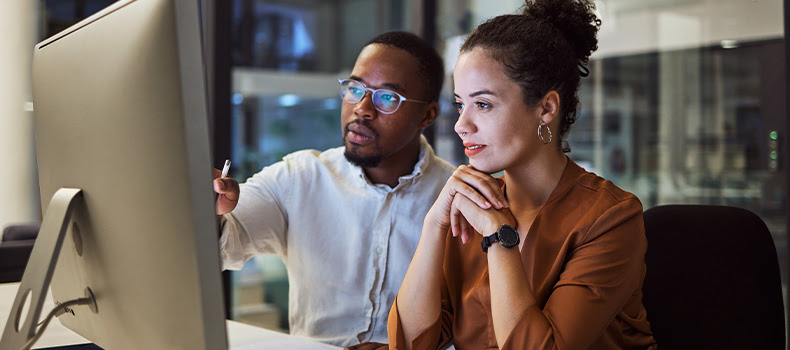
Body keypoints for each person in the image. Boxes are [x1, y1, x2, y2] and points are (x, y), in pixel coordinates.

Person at [389, 1, 658, 349]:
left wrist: (499, 236)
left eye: (483, 104)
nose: (460, 125)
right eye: (460, 104)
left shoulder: (610, 218)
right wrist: (434, 225)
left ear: (546, 108)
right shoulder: (471, 205)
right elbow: (410, 344)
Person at [212, 31, 457, 348]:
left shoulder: (456, 199)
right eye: (355, 89)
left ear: (427, 115)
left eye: (386, 98)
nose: (362, 108)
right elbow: (222, 248)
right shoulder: (300, 177)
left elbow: (479, 327)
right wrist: (214, 210)